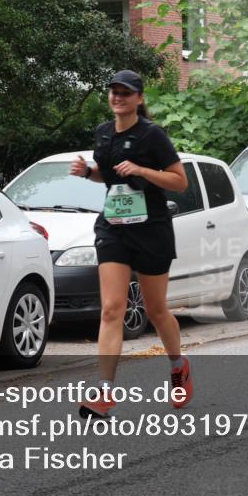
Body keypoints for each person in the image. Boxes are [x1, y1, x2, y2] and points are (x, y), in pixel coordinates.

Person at [70, 70, 191, 417]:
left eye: (126, 93)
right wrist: (88, 172)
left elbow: (179, 181)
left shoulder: (152, 135)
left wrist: (142, 170)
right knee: (111, 309)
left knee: (156, 310)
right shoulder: (103, 133)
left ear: (139, 99)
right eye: (113, 92)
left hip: (151, 230)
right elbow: (109, 176)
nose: (118, 97)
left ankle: (178, 366)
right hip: (114, 228)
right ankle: (105, 392)